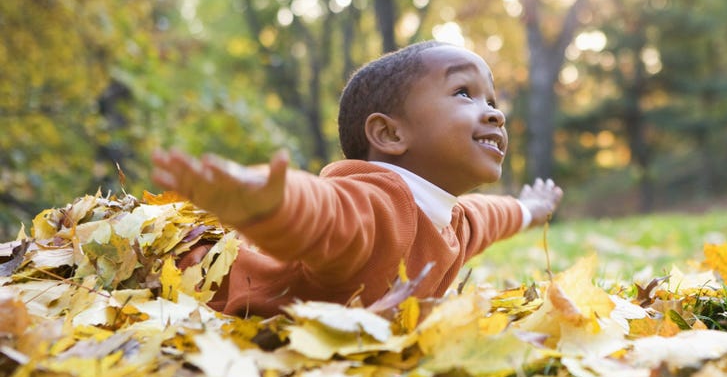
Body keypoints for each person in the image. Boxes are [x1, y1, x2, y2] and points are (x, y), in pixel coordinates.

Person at [151, 40, 563, 317]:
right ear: (389, 134)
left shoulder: (451, 221)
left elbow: (488, 216)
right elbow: (326, 213)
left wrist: (529, 209)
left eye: (491, 100)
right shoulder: (378, 203)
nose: (495, 113)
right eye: (463, 93)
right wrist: (272, 202)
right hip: (182, 270)